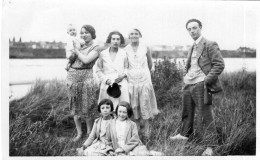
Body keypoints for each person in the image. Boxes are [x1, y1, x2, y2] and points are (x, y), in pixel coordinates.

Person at [170, 19, 225, 156]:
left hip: (202, 84)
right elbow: (189, 65)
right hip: (188, 83)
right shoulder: (192, 46)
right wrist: (185, 76)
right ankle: (184, 135)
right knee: (186, 111)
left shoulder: (210, 44)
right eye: (189, 29)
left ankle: (210, 145)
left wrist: (206, 81)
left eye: (194, 28)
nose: (192, 31)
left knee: (205, 115)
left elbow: (219, 64)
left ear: (200, 27)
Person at [66, 24, 100, 142]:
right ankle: (79, 133)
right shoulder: (78, 44)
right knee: (75, 106)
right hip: (72, 77)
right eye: (82, 33)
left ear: (92, 34)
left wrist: (76, 50)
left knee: (88, 106)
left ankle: (89, 133)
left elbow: (86, 60)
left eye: (86, 32)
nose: (83, 35)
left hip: (86, 77)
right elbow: (70, 57)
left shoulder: (96, 47)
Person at [124, 28, 159, 141]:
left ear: (140, 35)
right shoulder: (125, 49)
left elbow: (149, 63)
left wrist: (144, 74)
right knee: (134, 105)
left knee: (145, 103)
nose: (134, 35)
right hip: (132, 80)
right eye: (132, 34)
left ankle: (147, 130)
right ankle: (137, 129)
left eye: (136, 33)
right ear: (129, 36)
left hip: (144, 79)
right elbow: (125, 65)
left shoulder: (145, 47)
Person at [96, 31, 129, 109]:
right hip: (107, 84)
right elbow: (98, 70)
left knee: (122, 108)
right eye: (113, 39)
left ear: (120, 41)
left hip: (121, 83)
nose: (115, 41)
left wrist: (123, 75)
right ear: (110, 40)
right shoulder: (103, 53)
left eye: (118, 39)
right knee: (107, 108)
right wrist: (106, 80)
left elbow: (126, 68)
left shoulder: (124, 53)